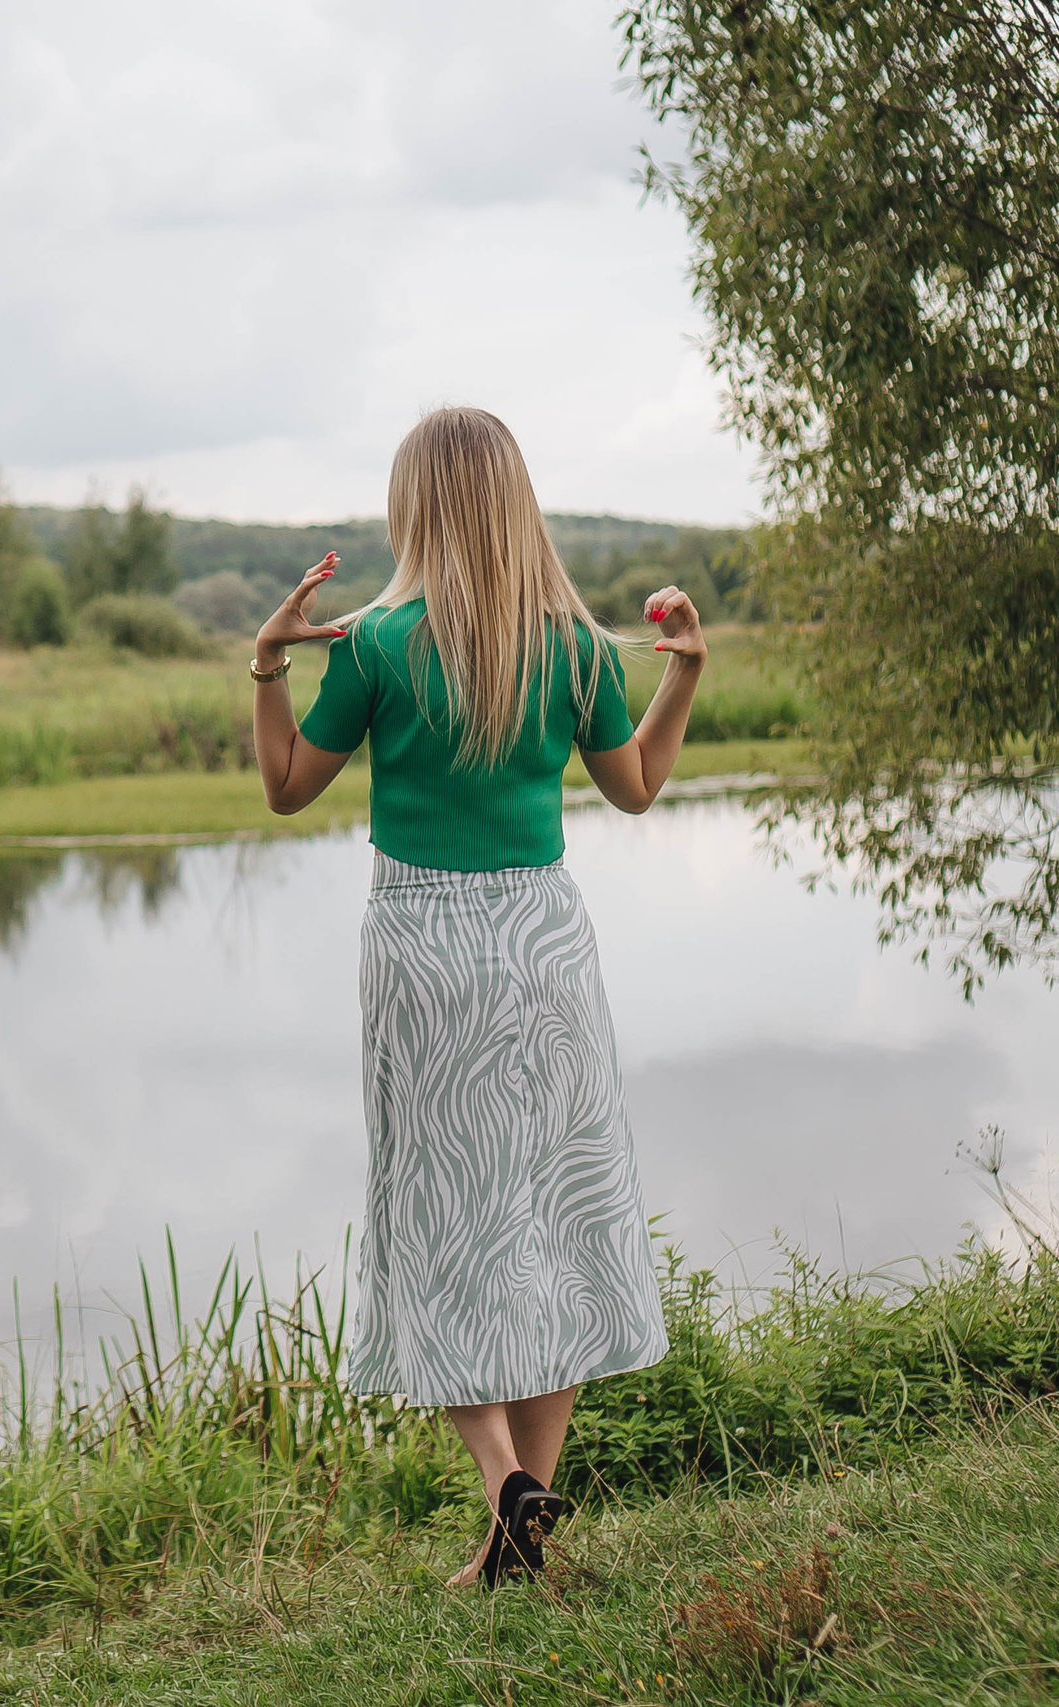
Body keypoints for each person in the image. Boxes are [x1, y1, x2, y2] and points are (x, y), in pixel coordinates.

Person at [248, 406, 704, 1588]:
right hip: (545, 945)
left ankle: (505, 1493)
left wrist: (265, 665)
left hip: (423, 951)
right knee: (548, 1218)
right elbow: (640, 786)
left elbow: (289, 789)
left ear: (415, 506)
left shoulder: (375, 645)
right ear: (515, 501)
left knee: (437, 1217)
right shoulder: (578, 648)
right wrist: (685, 673)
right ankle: (519, 1532)